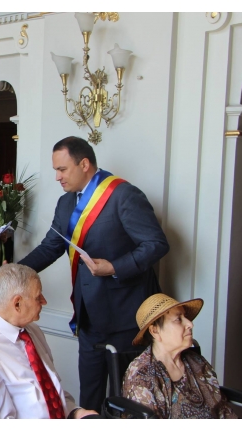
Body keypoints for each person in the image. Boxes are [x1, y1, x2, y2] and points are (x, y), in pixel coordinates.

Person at [18, 136, 170, 411]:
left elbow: (156, 244)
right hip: (88, 316)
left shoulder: (124, 195)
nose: (57, 177)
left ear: (84, 164)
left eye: (62, 169)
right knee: (90, 396)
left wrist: (114, 267)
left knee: (129, 399)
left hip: (126, 318)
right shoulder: (66, 203)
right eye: (56, 170)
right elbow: (51, 247)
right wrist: (14, 272)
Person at [0, 264, 98, 419]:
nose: (44, 301)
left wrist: (75, 412)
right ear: (17, 304)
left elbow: (52, 391)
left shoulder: (32, 331)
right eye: (38, 297)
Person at [122, 293, 237, 418]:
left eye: (185, 317)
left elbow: (221, 409)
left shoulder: (197, 361)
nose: (190, 324)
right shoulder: (142, 374)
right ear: (155, 331)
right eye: (178, 319)